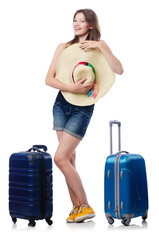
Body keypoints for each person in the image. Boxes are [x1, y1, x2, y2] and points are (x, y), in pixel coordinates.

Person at [45, 8, 123, 223]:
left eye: (82, 20)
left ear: (91, 24)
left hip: (83, 108)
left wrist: (102, 45)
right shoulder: (64, 47)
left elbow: (119, 69)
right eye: (74, 20)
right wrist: (73, 87)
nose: (76, 24)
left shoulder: (98, 49)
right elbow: (49, 79)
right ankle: (76, 208)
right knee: (69, 158)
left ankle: (86, 206)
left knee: (59, 158)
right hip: (61, 104)